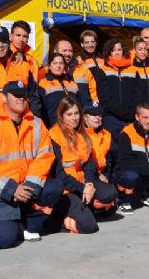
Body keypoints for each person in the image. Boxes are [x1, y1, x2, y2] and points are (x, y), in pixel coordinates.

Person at [0, 81, 61, 248]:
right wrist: (11, 189)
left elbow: (45, 155)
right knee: (4, 240)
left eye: (24, 96)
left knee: (54, 188)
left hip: (27, 187)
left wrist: (30, 184)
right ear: (4, 98)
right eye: (16, 96)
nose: (21, 99)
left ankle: (27, 223)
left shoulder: (37, 123)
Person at [49, 97, 118, 233]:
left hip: (83, 183)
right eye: (69, 114)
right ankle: (56, 220)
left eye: (76, 113)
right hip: (66, 188)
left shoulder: (82, 134)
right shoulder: (54, 136)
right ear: (61, 116)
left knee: (110, 194)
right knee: (89, 226)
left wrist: (90, 184)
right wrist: (82, 188)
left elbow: (88, 164)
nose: (74, 118)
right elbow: (58, 174)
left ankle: (86, 208)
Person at [98, 38, 139, 137]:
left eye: (119, 50)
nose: (116, 53)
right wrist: (117, 111)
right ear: (109, 52)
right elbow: (104, 95)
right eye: (113, 50)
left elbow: (137, 93)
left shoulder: (133, 69)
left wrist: (131, 111)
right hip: (111, 118)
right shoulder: (103, 69)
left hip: (130, 118)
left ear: (123, 51)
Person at [38, 53, 80, 127]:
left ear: (64, 66)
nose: (58, 66)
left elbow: (80, 105)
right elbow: (42, 111)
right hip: (54, 128)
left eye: (61, 63)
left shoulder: (72, 83)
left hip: (74, 126)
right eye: (55, 63)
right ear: (50, 66)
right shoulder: (43, 84)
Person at [55, 39, 99, 108]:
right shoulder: (48, 71)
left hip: (85, 112)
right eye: (64, 51)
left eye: (70, 51)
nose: (67, 53)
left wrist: (95, 110)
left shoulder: (84, 71)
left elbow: (94, 94)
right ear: (55, 51)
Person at [83, 104, 113, 181]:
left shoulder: (107, 135)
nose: (97, 117)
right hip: (85, 175)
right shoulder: (79, 134)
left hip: (103, 174)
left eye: (99, 115)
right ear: (84, 117)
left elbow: (109, 161)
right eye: (93, 114)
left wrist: (106, 177)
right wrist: (98, 174)